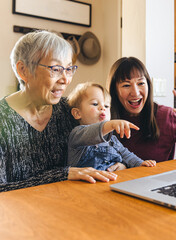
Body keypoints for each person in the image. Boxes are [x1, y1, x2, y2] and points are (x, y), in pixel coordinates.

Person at [0, 31, 117, 192]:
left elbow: (96, 149)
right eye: (56, 69)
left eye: (69, 69)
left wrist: (116, 164)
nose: (65, 79)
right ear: (23, 70)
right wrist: (61, 175)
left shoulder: (69, 110)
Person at [108, 57, 176, 162]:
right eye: (126, 85)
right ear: (114, 90)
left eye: (141, 83)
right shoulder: (104, 118)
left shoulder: (165, 116)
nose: (135, 93)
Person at [67, 82, 156, 171]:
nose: (103, 108)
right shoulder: (77, 134)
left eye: (106, 106)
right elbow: (92, 132)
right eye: (95, 104)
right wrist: (110, 125)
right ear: (77, 113)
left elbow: (127, 155)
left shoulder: (112, 140)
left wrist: (140, 163)